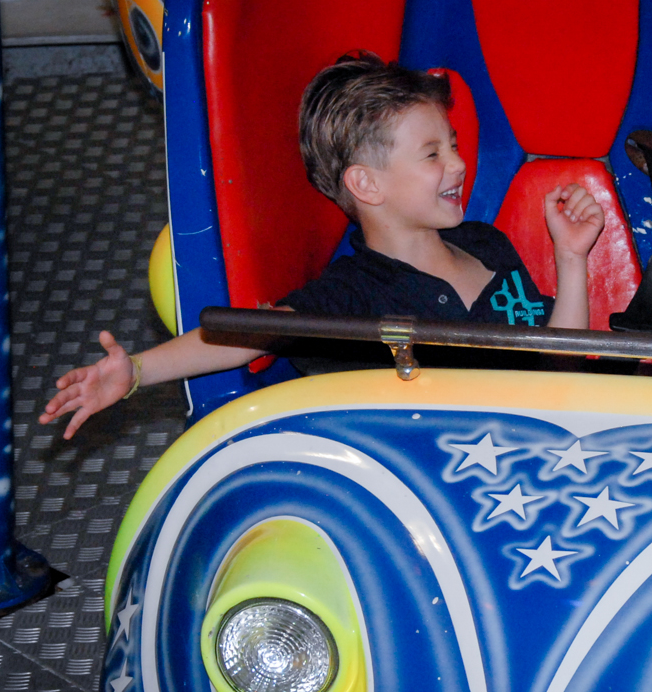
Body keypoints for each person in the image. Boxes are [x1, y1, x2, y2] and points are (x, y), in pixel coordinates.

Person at [40, 52, 605, 440]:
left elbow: (564, 365)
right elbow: (241, 335)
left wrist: (571, 259)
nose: (458, 163)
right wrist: (135, 372)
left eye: (453, 145)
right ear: (366, 184)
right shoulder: (352, 295)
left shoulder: (488, 246)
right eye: (433, 153)